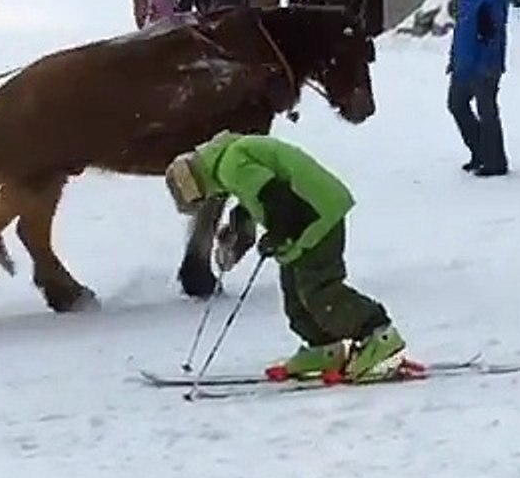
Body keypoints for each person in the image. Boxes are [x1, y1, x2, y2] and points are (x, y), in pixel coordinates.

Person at [164, 132, 407, 381]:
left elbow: (275, 197)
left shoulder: (231, 165)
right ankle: (325, 347)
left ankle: (379, 334)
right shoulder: (230, 161)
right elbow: (254, 197)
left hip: (316, 214)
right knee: (294, 294)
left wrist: (277, 235)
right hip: (305, 216)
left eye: (200, 199)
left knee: (318, 290)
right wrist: (239, 227)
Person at [447, 0, 510, 177]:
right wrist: (453, 58)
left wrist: (488, 65)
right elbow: (461, 30)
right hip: (463, 64)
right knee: (456, 105)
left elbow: (495, 34)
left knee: (487, 111)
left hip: (485, 66)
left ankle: (496, 161)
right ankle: (479, 152)